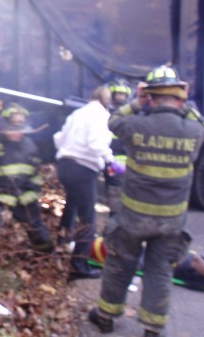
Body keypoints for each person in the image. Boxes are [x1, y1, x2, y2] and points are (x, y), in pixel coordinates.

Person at [88, 66, 204, 336]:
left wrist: (137, 101)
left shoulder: (135, 125)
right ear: (179, 97)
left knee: (120, 265)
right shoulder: (193, 131)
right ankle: (153, 328)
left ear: (150, 97)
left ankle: (106, 317)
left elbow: (113, 121)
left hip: (132, 218)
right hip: (171, 223)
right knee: (160, 272)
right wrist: (184, 100)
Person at [0, 103, 54, 292]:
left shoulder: (30, 147)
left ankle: (46, 257)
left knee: (36, 227)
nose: (16, 133)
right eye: (12, 129)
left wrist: (31, 195)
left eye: (20, 129)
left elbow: (35, 176)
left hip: (21, 197)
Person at [53, 85, 124, 280]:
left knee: (72, 204)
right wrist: (110, 161)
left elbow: (59, 139)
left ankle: (62, 242)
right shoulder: (101, 115)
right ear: (106, 101)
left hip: (65, 165)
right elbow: (96, 144)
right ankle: (78, 266)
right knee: (88, 219)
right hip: (82, 170)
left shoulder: (78, 113)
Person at [90, 236, 204, 295]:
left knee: (195, 258)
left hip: (146, 253)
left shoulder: (97, 243)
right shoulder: (101, 251)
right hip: (150, 261)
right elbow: (129, 263)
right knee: (195, 261)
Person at [105, 79, 133, 216]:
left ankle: (118, 217)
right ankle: (114, 217)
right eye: (118, 94)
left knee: (122, 190)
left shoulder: (130, 114)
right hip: (111, 158)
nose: (120, 97)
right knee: (113, 190)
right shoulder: (107, 112)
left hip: (125, 159)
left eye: (123, 95)